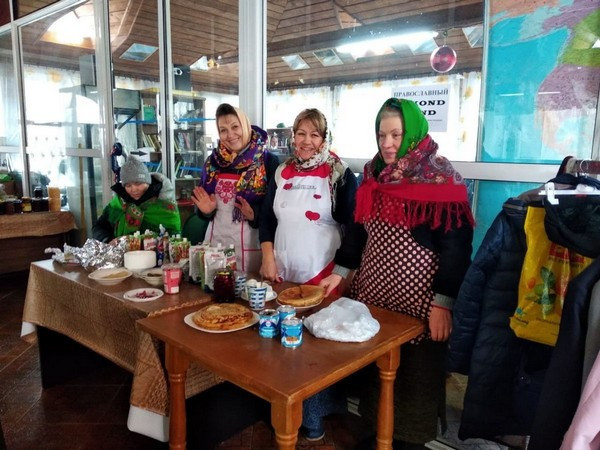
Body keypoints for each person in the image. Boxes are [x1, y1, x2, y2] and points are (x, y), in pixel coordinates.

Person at [321, 98, 474, 449]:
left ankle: (409, 443)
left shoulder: (441, 177)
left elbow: (456, 249)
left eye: (396, 134)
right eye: (382, 135)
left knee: (414, 380)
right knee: (376, 377)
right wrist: (341, 272)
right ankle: (377, 436)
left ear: (413, 134)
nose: (387, 144)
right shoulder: (372, 174)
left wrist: (443, 303)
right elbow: (357, 230)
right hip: (374, 298)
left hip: (420, 306)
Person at [259, 108, 358, 441]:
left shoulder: (340, 174)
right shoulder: (281, 171)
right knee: (282, 343)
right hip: (283, 272)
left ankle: (314, 418)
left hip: (323, 274)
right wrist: (268, 256)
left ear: (324, 138)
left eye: (314, 134)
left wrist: (343, 272)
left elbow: (354, 227)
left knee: (316, 350)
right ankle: (283, 412)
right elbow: (267, 218)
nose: (306, 141)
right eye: (300, 133)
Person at [192, 103, 279, 273]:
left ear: (245, 125)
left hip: (251, 245)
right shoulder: (213, 162)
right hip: (215, 244)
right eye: (223, 130)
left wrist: (254, 214)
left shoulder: (267, 161)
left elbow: (274, 210)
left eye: (235, 127)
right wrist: (206, 211)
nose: (230, 135)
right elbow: (202, 204)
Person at [93, 156, 181, 243]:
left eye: (138, 183)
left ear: (148, 182)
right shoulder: (118, 203)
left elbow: (174, 236)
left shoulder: (165, 204)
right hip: (121, 251)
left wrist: (139, 240)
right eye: (128, 185)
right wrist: (108, 240)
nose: (134, 189)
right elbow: (99, 227)